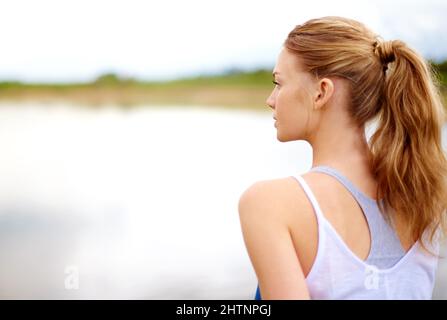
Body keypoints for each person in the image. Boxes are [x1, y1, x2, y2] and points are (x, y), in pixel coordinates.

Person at [238, 16, 447, 300]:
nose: (271, 99)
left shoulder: (270, 203)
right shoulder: (422, 193)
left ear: (321, 92)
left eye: (279, 83)